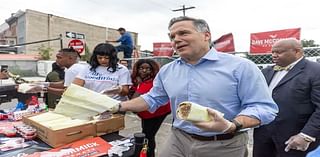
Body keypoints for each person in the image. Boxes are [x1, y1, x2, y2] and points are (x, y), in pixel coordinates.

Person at [113, 16, 278, 157]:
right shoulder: (168, 70)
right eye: (172, 36)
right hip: (178, 139)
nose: (176, 39)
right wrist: (116, 106)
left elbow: (263, 107)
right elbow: (152, 98)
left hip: (224, 144)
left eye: (183, 33)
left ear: (206, 35)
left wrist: (232, 125)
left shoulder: (241, 67)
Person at [253, 38, 320, 157]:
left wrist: (306, 135)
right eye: (272, 52)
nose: (274, 55)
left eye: (279, 52)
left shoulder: (315, 71)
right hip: (263, 137)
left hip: (295, 138)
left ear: (297, 52)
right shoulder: (266, 71)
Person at [129, 59, 171, 157]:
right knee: (148, 134)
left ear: (153, 70)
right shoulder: (138, 79)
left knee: (148, 136)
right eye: (141, 68)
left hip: (156, 112)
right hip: (146, 112)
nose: (144, 71)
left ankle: (150, 154)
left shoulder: (152, 82)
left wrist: (140, 85)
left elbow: (134, 102)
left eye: (148, 69)